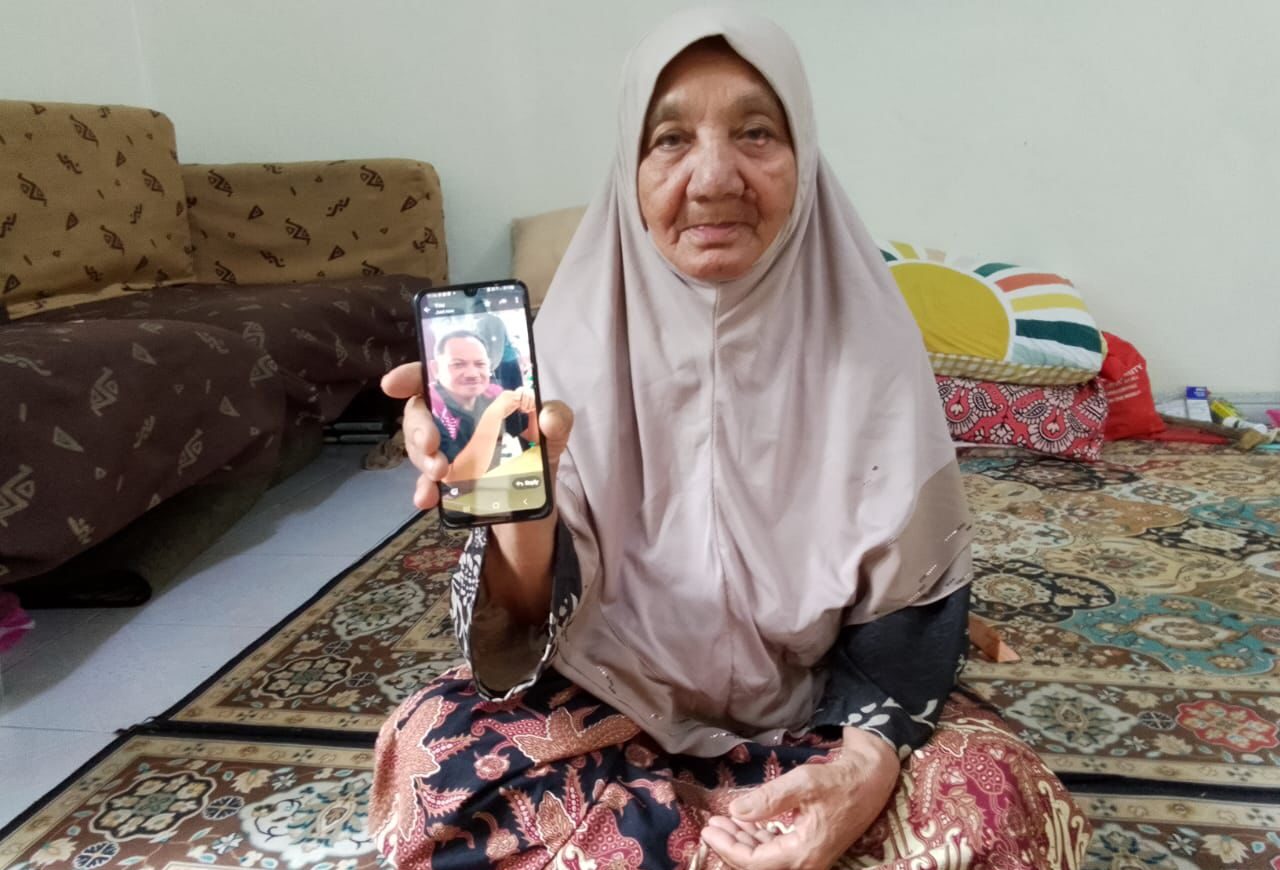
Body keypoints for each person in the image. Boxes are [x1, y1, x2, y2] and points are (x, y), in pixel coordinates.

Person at [374, 10, 1089, 868]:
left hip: (821, 706)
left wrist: (863, 769)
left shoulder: (870, 339)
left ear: (804, 156)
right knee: (431, 757)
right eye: (671, 140)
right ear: (630, 170)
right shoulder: (564, 345)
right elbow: (521, 626)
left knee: (995, 802)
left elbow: (909, 612)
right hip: (606, 695)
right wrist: (520, 518)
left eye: (755, 133)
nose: (713, 179)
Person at [430, 331, 536, 481]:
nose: (472, 374)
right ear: (436, 369)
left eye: (480, 364)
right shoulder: (432, 407)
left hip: (493, 484)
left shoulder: (492, 393)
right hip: (457, 494)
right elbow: (456, 481)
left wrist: (531, 406)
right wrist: (494, 414)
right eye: (458, 364)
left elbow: (533, 438)